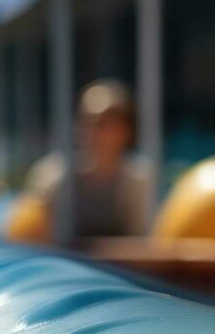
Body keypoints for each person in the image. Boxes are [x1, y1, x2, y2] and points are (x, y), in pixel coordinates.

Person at [22, 79, 155, 240]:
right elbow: (30, 237)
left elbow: (142, 243)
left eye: (103, 123)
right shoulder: (52, 177)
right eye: (86, 121)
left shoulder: (138, 180)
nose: (91, 132)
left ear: (125, 130)